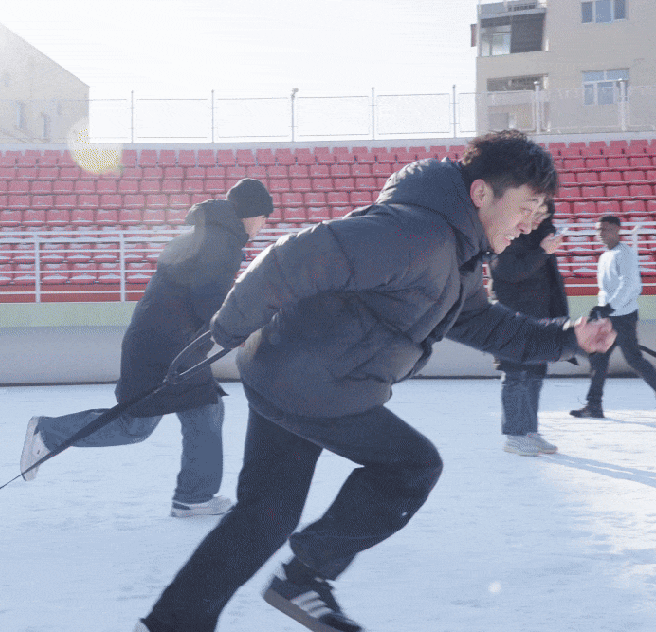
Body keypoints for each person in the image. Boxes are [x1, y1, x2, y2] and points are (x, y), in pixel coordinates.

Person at [134, 130, 615, 632]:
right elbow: (292, 258)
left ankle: (171, 624)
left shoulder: (458, 254)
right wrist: (226, 329)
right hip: (312, 384)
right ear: (481, 194)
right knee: (410, 466)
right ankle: (305, 576)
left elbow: (484, 324)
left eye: (539, 211)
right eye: (527, 207)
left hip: (289, 373)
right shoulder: (414, 235)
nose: (531, 223)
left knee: (266, 515)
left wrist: (568, 338)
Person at [20, 178, 274, 517]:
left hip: (163, 342)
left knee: (174, 418)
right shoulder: (222, 242)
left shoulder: (211, 236)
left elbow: (200, 295)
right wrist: (239, 324)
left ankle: (193, 496)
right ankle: (49, 434)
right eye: (264, 217)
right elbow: (208, 300)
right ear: (251, 214)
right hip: (166, 347)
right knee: (160, 420)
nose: (264, 224)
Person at [488, 200, 571, 456]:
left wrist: (557, 316)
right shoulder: (505, 232)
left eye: (543, 214)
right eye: (535, 213)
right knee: (515, 375)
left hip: (541, 317)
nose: (538, 219)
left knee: (535, 374)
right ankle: (514, 435)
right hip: (511, 316)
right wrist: (542, 252)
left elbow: (550, 280)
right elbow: (508, 272)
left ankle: (529, 431)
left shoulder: (542, 236)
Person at [570, 215, 656, 418]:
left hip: (623, 317)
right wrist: (601, 308)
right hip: (608, 317)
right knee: (599, 360)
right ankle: (594, 406)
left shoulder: (625, 254)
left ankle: (594, 405)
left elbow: (630, 285)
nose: (601, 233)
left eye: (606, 229)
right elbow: (607, 288)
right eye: (598, 229)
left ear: (618, 229)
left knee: (633, 359)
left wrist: (610, 307)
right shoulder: (605, 256)